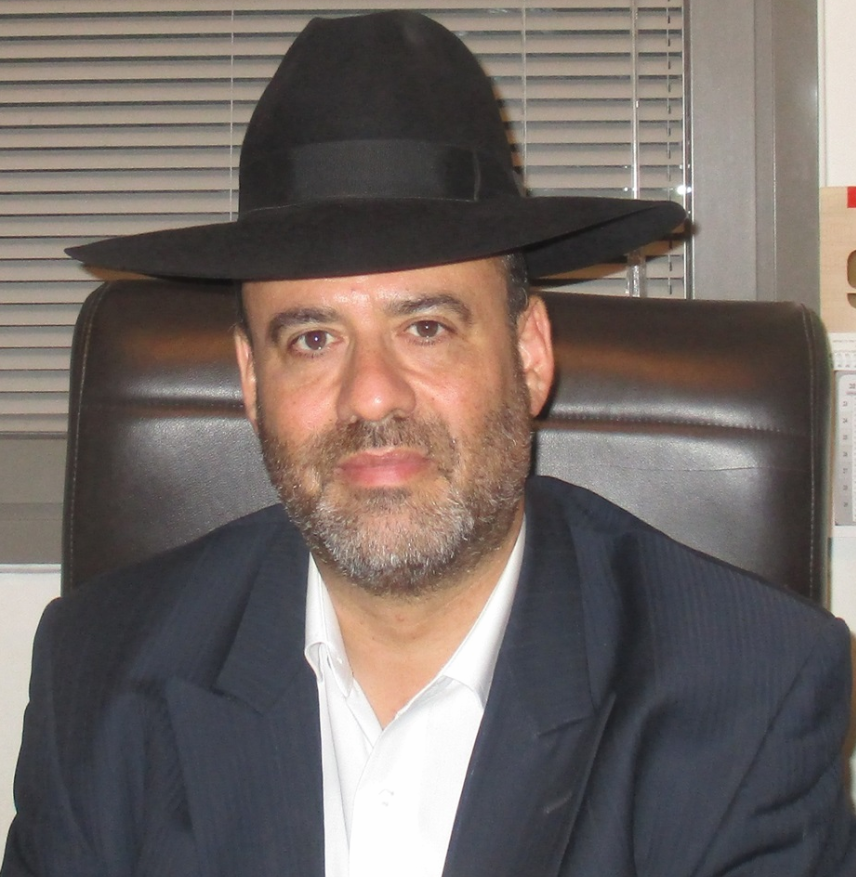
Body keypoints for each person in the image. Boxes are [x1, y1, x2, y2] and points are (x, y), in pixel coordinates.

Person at [3, 10, 855, 877]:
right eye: (313, 339)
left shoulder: (748, 698)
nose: (372, 393)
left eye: (427, 327)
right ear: (251, 380)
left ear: (529, 354)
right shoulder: (99, 680)